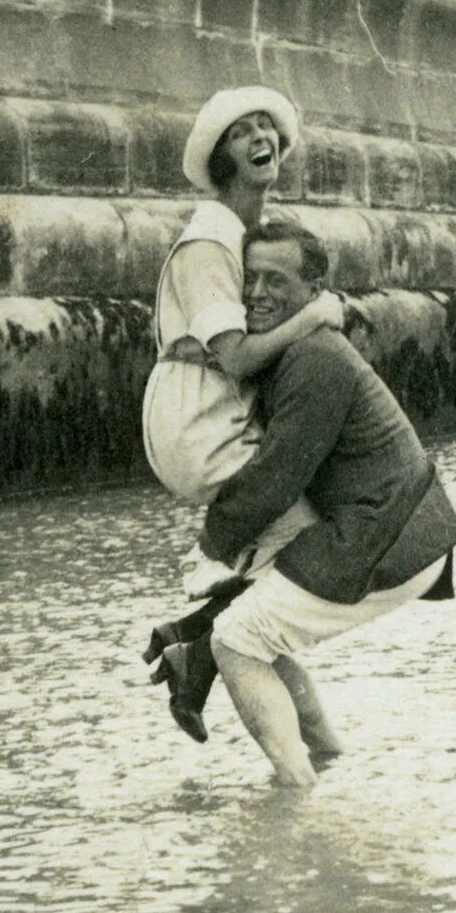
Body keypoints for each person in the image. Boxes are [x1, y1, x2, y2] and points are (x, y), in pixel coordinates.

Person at [185, 220, 456, 789]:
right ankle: (328, 760)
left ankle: (294, 797)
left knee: (235, 639)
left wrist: (210, 545)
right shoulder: (302, 349)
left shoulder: (315, 357)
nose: (257, 293)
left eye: (276, 281)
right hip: (399, 526)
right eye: (250, 278)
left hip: (385, 532)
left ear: (314, 290)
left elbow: (277, 478)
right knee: (256, 635)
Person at [141, 86, 345, 740]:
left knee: (265, 601)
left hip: (212, 412)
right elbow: (233, 356)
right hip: (196, 420)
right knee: (308, 536)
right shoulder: (208, 241)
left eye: (265, 127)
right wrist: (316, 315)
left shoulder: (246, 233)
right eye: (240, 132)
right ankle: (197, 646)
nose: (259, 137)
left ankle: (198, 654)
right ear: (222, 159)